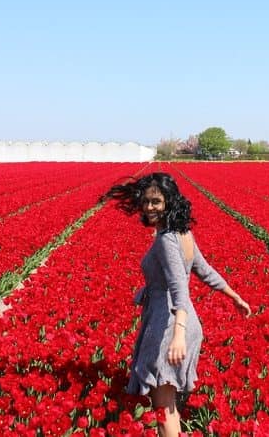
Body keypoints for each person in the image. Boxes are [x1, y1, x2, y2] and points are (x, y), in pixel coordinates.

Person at [102, 172, 251, 437]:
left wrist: (178, 334)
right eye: (146, 201)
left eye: (156, 201)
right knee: (168, 404)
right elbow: (205, 271)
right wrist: (235, 296)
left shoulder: (166, 240)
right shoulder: (183, 233)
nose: (150, 207)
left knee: (163, 409)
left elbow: (179, 288)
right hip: (179, 321)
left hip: (168, 326)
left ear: (169, 201)